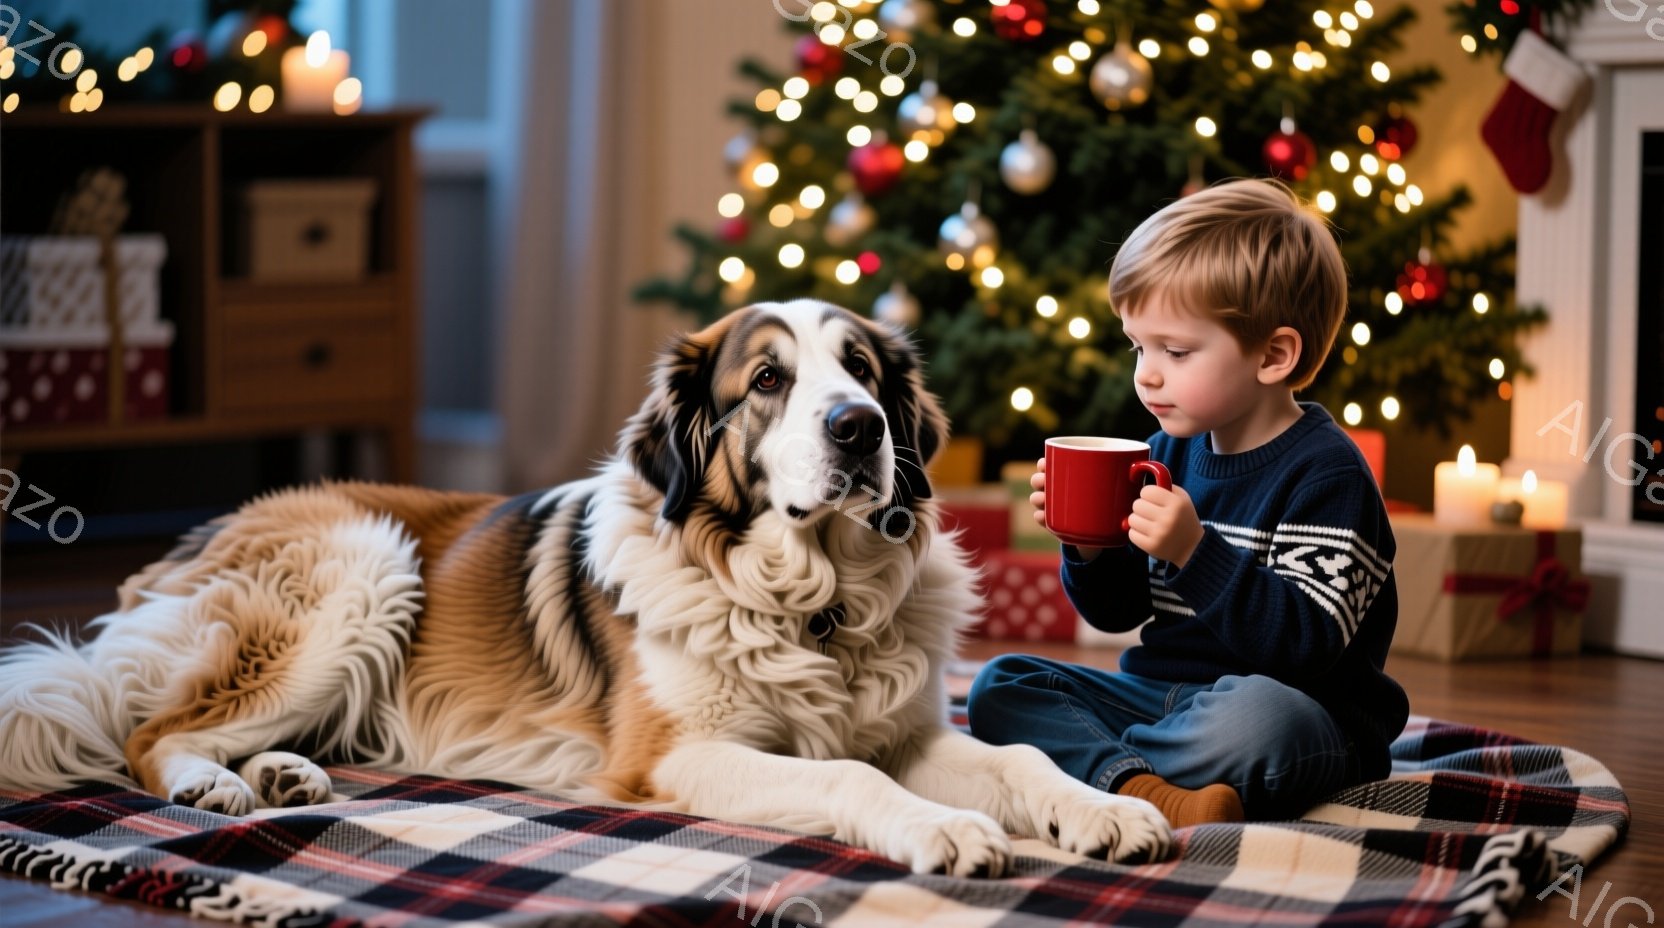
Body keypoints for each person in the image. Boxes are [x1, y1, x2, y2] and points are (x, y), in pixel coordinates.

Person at [967, 179, 1409, 827]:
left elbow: (1305, 649)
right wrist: (1090, 547)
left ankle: (1094, 772)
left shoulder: (1328, 475)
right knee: (1001, 686)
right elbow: (1117, 614)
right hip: (1161, 700)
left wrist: (1194, 552)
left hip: (1300, 711)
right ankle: (1146, 788)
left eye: (1174, 351)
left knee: (1259, 722)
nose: (1146, 373)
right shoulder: (1164, 453)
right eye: (1137, 346)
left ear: (1274, 354)